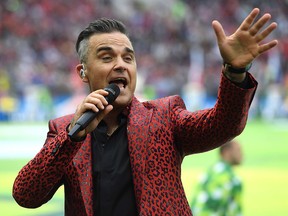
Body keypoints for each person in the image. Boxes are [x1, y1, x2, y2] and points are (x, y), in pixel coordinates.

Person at [13, 8, 277, 216]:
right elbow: (26, 195)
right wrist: (73, 137)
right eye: (106, 57)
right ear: (82, 72)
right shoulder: (65, 130)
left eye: (128, 58)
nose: (120, 65)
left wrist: (234, 71)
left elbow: (224, 124)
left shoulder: (164, 116)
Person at [190, 140, 243, 216]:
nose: (241, 154)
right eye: (238, 150)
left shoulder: (209, 172)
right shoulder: (233, 180)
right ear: (226, 152)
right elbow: (235, 211)